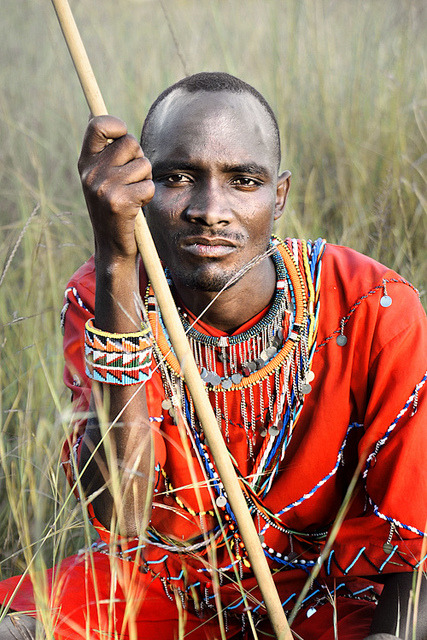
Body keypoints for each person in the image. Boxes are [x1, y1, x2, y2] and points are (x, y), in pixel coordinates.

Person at [0, 72, 425, 640]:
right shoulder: (103, 293)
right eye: (177, 177)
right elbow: (120, 513)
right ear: (139, 188)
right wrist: (116, 259)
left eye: (243, 181)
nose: (210, 209)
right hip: (160, 588)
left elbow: (414, 549)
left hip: (334, 598)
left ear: (279, 197)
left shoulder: (372, 306)